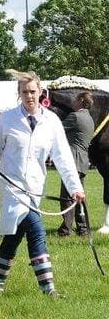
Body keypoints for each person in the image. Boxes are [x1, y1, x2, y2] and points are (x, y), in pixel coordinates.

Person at [0, 69, 85, 297]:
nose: (29, 96)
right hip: (12, 187)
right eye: (24, 92)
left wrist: (75, 188)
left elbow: (63, 157)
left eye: (32, 91)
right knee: (37, 230)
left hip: (35, 188)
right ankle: (49, 290)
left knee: (12, 239)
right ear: (18, 94)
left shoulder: (51, 121)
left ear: (40, 92)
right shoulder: (8, 118)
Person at [57, 92, 94, 236]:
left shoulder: (75, 117)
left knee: (67, 197)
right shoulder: (89, 118)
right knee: (78, 196)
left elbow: (57, 129)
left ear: (81, 100)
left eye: (75, 99)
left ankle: (66, 229)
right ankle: (83, 227)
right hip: (83, 161)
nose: (72, 102)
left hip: (72, 161)